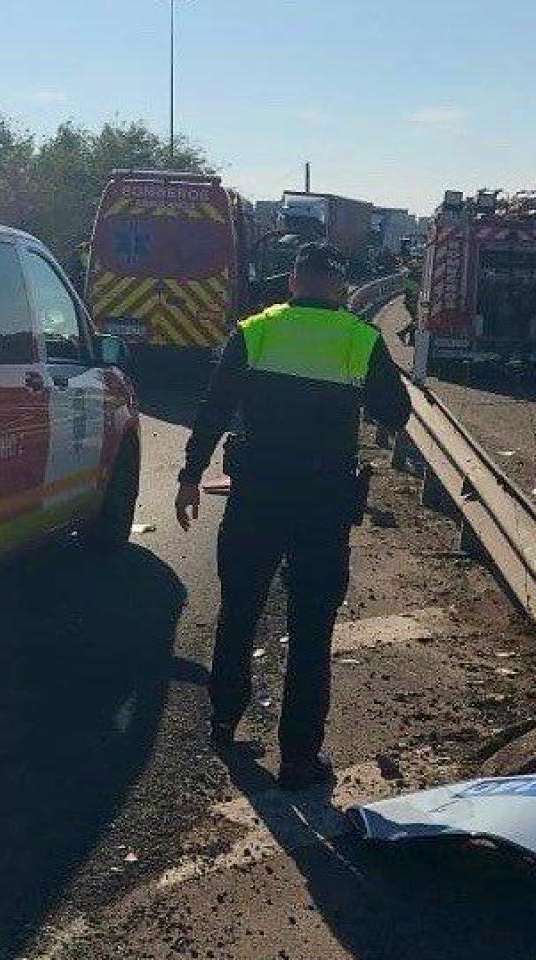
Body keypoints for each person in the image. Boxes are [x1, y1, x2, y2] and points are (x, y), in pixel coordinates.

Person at [175, 243, 411, 790]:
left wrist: (190, 476)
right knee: (311, 630)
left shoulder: (254, 331)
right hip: (323, 506)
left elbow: (212, 408)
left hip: (256, 496)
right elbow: (395, 413)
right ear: (340, 288)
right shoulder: (360, 339)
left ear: (293, 283)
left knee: (240, 610)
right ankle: (299, 757)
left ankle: (224, 722)